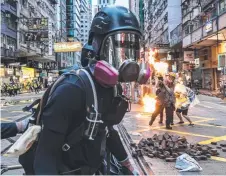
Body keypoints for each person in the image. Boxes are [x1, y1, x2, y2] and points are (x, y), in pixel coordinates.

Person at [19, 6, 150, 175]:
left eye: (131, 49)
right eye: (115, 48)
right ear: (96, 46)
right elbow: (45, 157)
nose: (127, 62)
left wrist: (129, 166)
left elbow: (107, 131)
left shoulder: (111, 87)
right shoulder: (71, 89)